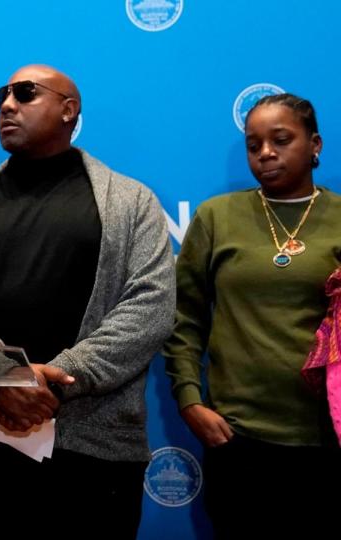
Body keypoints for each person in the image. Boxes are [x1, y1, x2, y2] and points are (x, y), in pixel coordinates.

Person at [0, 64, 175, 537]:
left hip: (94, 451)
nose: (7, 105)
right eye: (1, 96)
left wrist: (57, 382)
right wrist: (4, 376)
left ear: (69, 109)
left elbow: (150, 307)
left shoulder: (132, 202)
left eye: (25, 93)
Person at [163, 93, 341, 538]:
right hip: (238, 438)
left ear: (315, 145)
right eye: (254, 144)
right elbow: (183, 318)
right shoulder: (218, 217)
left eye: (281, 140)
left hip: (328, 439)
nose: (265, 154)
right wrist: (190, 401)